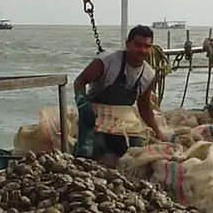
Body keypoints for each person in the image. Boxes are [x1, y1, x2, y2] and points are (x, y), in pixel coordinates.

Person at [72, 25, 168, 163]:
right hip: (97, 114)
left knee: (136, 147)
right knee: (93, 149)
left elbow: (144, 106)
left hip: (123, 118)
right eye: (138, 45)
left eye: (147, 46)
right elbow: (80, 81)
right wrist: (82, 101)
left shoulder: (148, 74)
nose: (142, 50)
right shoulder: (107, 60)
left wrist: (158, 132)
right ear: (128, 44)